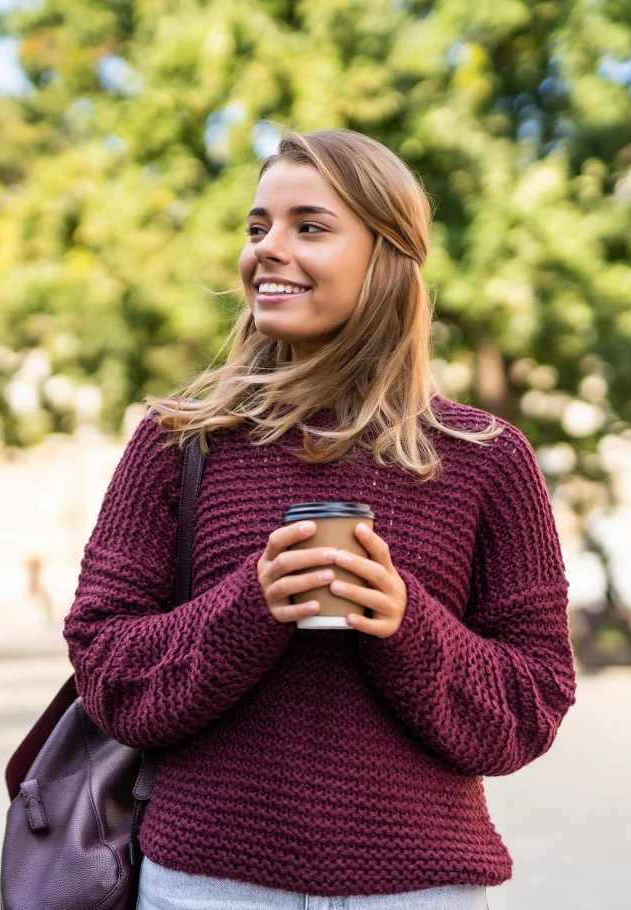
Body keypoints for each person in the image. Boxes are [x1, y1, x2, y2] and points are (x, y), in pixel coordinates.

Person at [62, 128, 576, 910]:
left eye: (310, 226)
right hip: (205, 889)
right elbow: (105, 666)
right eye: (257, 226)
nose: (268, 248)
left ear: (387, 255)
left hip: (420, 893)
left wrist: (403, 623)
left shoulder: (485, 457)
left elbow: (531, 703)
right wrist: (253, 605)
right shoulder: (179, 440)